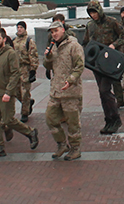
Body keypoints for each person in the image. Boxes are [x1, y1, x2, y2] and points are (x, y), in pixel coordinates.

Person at [0, 30, 39, 158]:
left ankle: (30, 133)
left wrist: (9, 92)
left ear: (4, 39)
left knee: (9, 120)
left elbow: (15, 74)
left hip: (5, 94)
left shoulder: (10, 54)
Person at [44, 20, 85, 161]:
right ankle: (62, 144)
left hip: (71, 92)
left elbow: (80, 66)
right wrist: (47, 56)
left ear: (62, 30)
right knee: (50, 118)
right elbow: (48, 65)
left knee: (73, 123)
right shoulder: (53, 46)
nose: (54, 34)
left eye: (56, 30)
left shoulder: (74, 46)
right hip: (56, 90)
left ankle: (75, 149)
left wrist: (71, 80)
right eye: (52, 32)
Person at [82, 0, 124, 135]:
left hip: (109, 61)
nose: (93, 15)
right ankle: (108, 120)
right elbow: (85, 42)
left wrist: (114, 45)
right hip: (96, 64)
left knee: (105, 90)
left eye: (94, 12)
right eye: (90, 13)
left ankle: (116, 119)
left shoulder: (112, 22)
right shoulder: (90, 26)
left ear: (99, 11)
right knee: (102, 93)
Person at [13, 21, 39, 122]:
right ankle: (28, 102)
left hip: (25, 69)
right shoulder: (14, 41)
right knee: (16, 92)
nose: (19, 29)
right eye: (18, 27)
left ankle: (24, 113)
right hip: (16, 70)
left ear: (25, 29)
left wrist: (33, 70)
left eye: (21, 27)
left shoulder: (29, 41)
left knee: (24, 93)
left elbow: (33, 56)